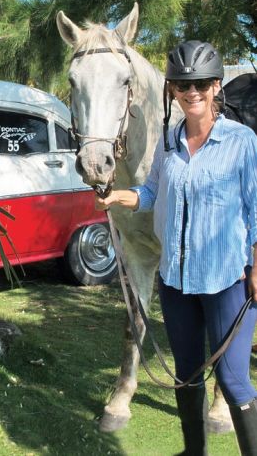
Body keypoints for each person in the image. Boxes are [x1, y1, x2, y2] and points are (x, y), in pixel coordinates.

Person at [96, 40, 257, 456]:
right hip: (177, 282)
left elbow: (256, 207)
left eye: (201, 83)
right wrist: (120, 196)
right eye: (184, 84)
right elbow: (150, 192)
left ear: (217, 86)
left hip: (226, 281)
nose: (193, 92)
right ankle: (193, 452)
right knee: (186, 375)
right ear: (172, 90)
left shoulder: (241, 142)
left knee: (234, 380)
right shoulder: (168, 142)